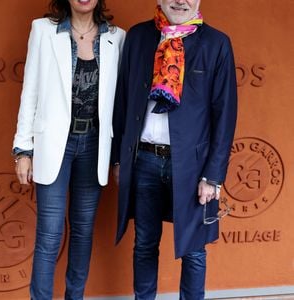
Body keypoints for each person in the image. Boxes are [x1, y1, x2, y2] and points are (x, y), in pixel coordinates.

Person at [112, 0, 237, 299]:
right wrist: (119, 158)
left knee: (194, 250)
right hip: (143, 159)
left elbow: (224, 115)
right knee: (144, 243)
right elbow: (122, 101)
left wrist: (214, 176)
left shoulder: (217, 44)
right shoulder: (139, 37)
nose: (180, 0)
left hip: (194, 168)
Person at [12, 0, 125, 299]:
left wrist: (118, 158)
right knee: (49, 235)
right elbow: (30, 91)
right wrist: (23, 149)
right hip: (54, 146)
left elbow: (119, 104)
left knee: (83, 232)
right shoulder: (43, 30)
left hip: (94, 145)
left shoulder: (116, 37)